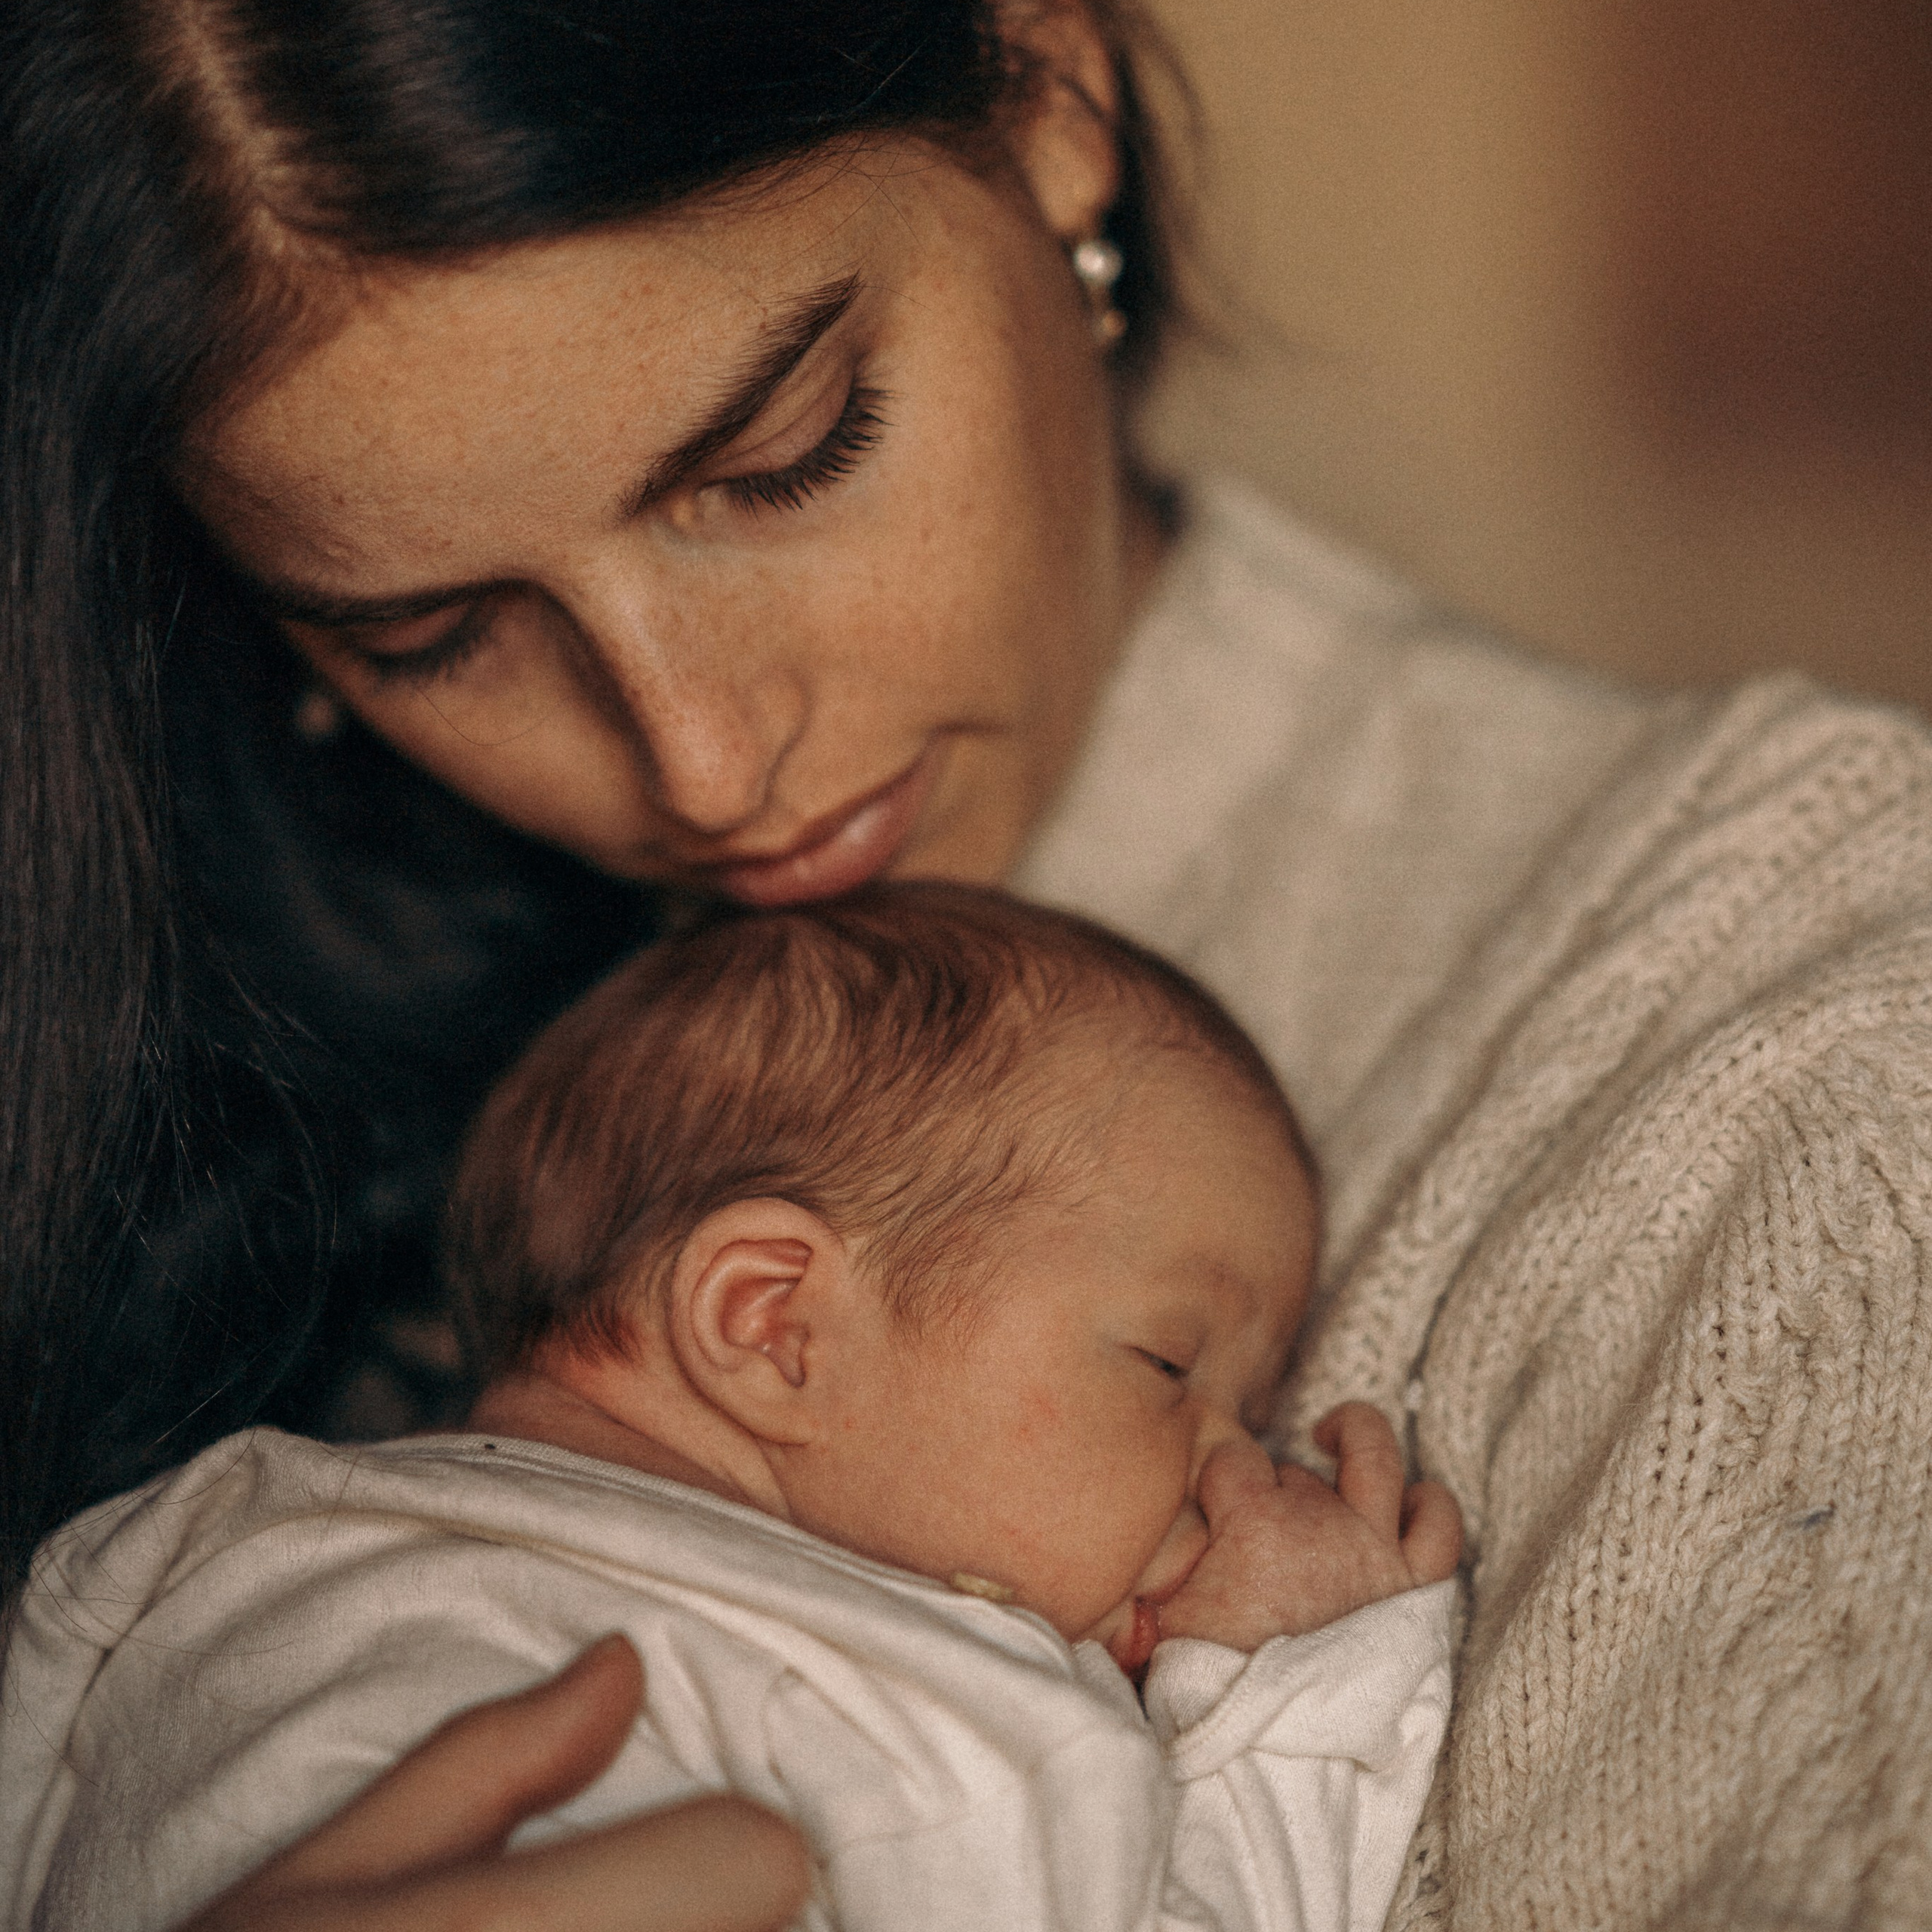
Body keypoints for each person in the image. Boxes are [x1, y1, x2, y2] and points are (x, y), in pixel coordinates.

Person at [2, 0, 1929, 1927]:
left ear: (1048, 90)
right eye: (423, 634)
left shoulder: (1802, 1047)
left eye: (784, 453)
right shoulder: (177, 1062)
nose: (697, 756)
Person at [4, 886, 1463, 1932]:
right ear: (774, 1324)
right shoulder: (921, 1713)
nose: (1240, 1474)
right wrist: (1292, 1683)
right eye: (1168, 1369)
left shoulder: (183, 1568)